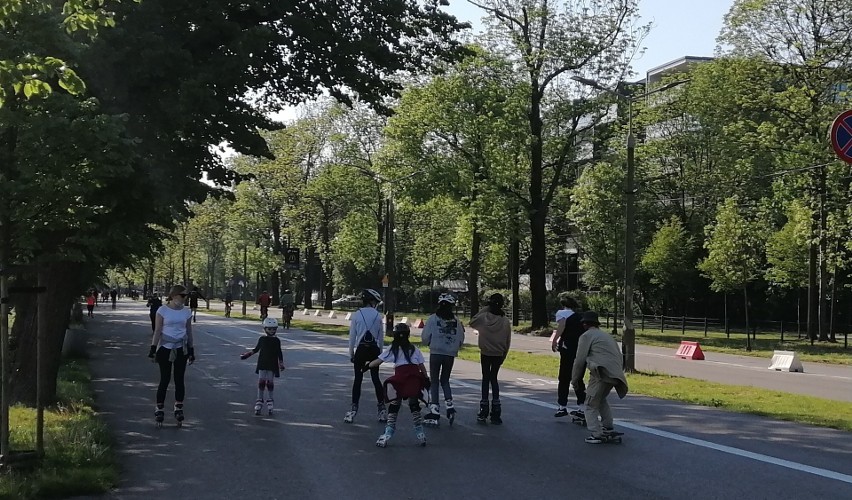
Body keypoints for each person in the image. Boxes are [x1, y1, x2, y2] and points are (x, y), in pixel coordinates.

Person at [365, 323, 430, 447]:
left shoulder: (393, 348)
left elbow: (377, 362)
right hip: (414, 379)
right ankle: (420, 432)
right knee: (414, 404)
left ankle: (389, 430)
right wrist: (426, 379)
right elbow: (421, 366)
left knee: (395, 404)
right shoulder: (414, 348)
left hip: (400, 379)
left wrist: (367, 366)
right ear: (408, 335)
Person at [572, 311, 629, 444]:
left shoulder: (586, 336)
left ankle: (596, 433)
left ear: (584, 324)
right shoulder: (605, 335)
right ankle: (608, 427)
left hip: (601, 373)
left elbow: (579, 360)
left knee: (590, 404)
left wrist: (574, 379)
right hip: (615, 373)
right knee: (600, 399)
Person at [149, 285, 195, 427]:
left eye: (186, 296)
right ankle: (159, 408)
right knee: (165, 379)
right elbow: (157, 330)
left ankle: (178, 407)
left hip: (181, 348)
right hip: (165, 348)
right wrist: (152, 348)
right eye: (182, 295)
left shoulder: (186, 312)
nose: (184, 298)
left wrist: (191, 350)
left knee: (179, 379)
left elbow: (189, 331)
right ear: (174, 295)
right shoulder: (162, 310)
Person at [421, 293, 464, 426]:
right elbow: (461, 338)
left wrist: (429, 343)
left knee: (434, 381)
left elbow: (425, 336)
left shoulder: (433, 319)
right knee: (445, 380)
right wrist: (455, 347)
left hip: (436, 352)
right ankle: (449, 405)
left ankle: (434, 409)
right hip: (450, 354)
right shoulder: (456, 321)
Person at [344, 288, 386, 424]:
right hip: (374, 350)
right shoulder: (378, 316)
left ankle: (353, 410)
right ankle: (382, 409)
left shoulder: (356, 314)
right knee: (375, 379)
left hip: (361, 349)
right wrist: (380, 354)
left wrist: (351, 354)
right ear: (372, 301)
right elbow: (381, 337)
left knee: (358, 379)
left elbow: (352, 337)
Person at [470, 293, 511, 425]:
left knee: (485, 378)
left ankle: (484, 407)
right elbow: (508, 340)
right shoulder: (505, 321)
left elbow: (472, 321)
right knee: (494, 379)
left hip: (486, 352)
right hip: (498, 352)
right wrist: (504, 353)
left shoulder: (483, 318)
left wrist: (485, 308)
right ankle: (496, 409)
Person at [551, 296, 587, 419]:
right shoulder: (579, 317)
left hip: (567, 349)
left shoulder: (562, 314)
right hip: (580, 350)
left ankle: (562, 406)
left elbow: (561, 327)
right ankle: (582, 407)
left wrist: (555, 340)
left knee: (564, 377)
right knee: (577, 378)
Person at [240, 317, 285, 416]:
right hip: (262, 364)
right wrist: (247, 355)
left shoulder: (277, 341)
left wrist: (281, 363)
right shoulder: (262, 339)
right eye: (269, 329)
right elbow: (256, 350)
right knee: (261, 382)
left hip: (272, 364)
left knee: (269, 383)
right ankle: (259, 400)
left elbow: (279, 352)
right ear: (265, 329)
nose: (272, 331)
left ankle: (270, 400)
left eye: (274, 329)